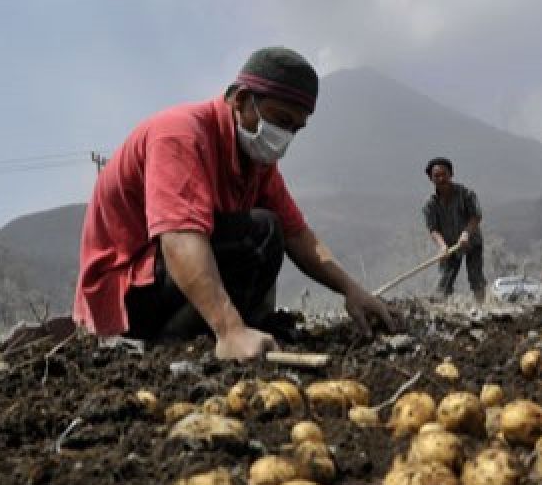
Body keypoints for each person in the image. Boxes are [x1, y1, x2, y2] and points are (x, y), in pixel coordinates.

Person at [73, 46, 396, 362]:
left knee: (270, 230)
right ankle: (182, 341)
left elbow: (297, 234)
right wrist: (229, 329)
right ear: (241, 99)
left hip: (166, 283)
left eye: (294, 129)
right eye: (280, 120)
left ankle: (233, 334)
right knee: (258, 232)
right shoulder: (180, 134)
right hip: (128, 290)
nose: (284, 136)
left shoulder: (256, 163)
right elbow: (179, 240)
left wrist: (351, 290)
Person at [422, 157, 486, 302]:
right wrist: (442, 246)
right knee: (444, 281)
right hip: (449, 247)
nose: (441, 178)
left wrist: (465, 234)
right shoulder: (430, 204)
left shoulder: (466, 194)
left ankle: (482, 308)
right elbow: (433, 229)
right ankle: (440, 310)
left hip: (471, 242)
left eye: (444, 174)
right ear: (431, 179)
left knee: (476, 278)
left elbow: (476, 216)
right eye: (436, 176)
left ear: (451, 174)